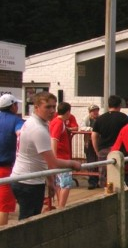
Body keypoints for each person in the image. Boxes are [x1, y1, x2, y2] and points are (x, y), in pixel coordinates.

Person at [10, 92, 81, 220]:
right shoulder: (38, 128)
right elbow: (52, 161)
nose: (52, 110)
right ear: (36, 108)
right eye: (47, 107)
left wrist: (50, 180)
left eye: (54, 107)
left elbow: (44, 160)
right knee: (29, 221)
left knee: (30, 218)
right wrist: (72, 163)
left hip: (26, 178)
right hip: (28, 181)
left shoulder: (36, 123)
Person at [92, 95, 128, 188]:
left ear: (108, 105)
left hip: (103, 150)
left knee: (104, 176)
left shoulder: (100, 119)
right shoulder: (124, 118)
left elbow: (94, 136)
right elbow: (127, 135)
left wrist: (97, 151)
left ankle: (105, 192)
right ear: (119, 105)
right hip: (118, 151)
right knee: (119, 175)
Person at [0, 94, 24, 225]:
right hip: (5, 169)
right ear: (12, 106)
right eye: (16, 104)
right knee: (4, 206)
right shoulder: (16, 121)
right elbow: (21, 135)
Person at [49, 102, 75, 208]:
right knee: (66, 183)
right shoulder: (59, 122)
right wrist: (54, 158)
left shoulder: (55, 121)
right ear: (68, 111)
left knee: (60, 183)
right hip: (61, 158)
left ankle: (60, 204)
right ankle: (61, 206)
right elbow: (54, 139)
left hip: (60, 157)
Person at [81, 104, 100, 189]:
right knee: (91, 162)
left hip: (99, 143)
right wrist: (92, 129)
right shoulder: (86, 119)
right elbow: (81, 127)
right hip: (89, 143)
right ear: (90, 112)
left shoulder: (101, 118)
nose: (95, 112)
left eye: (96, 110)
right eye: (93, 111)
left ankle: (98, 180)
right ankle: (92, 181)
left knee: (99, 162)